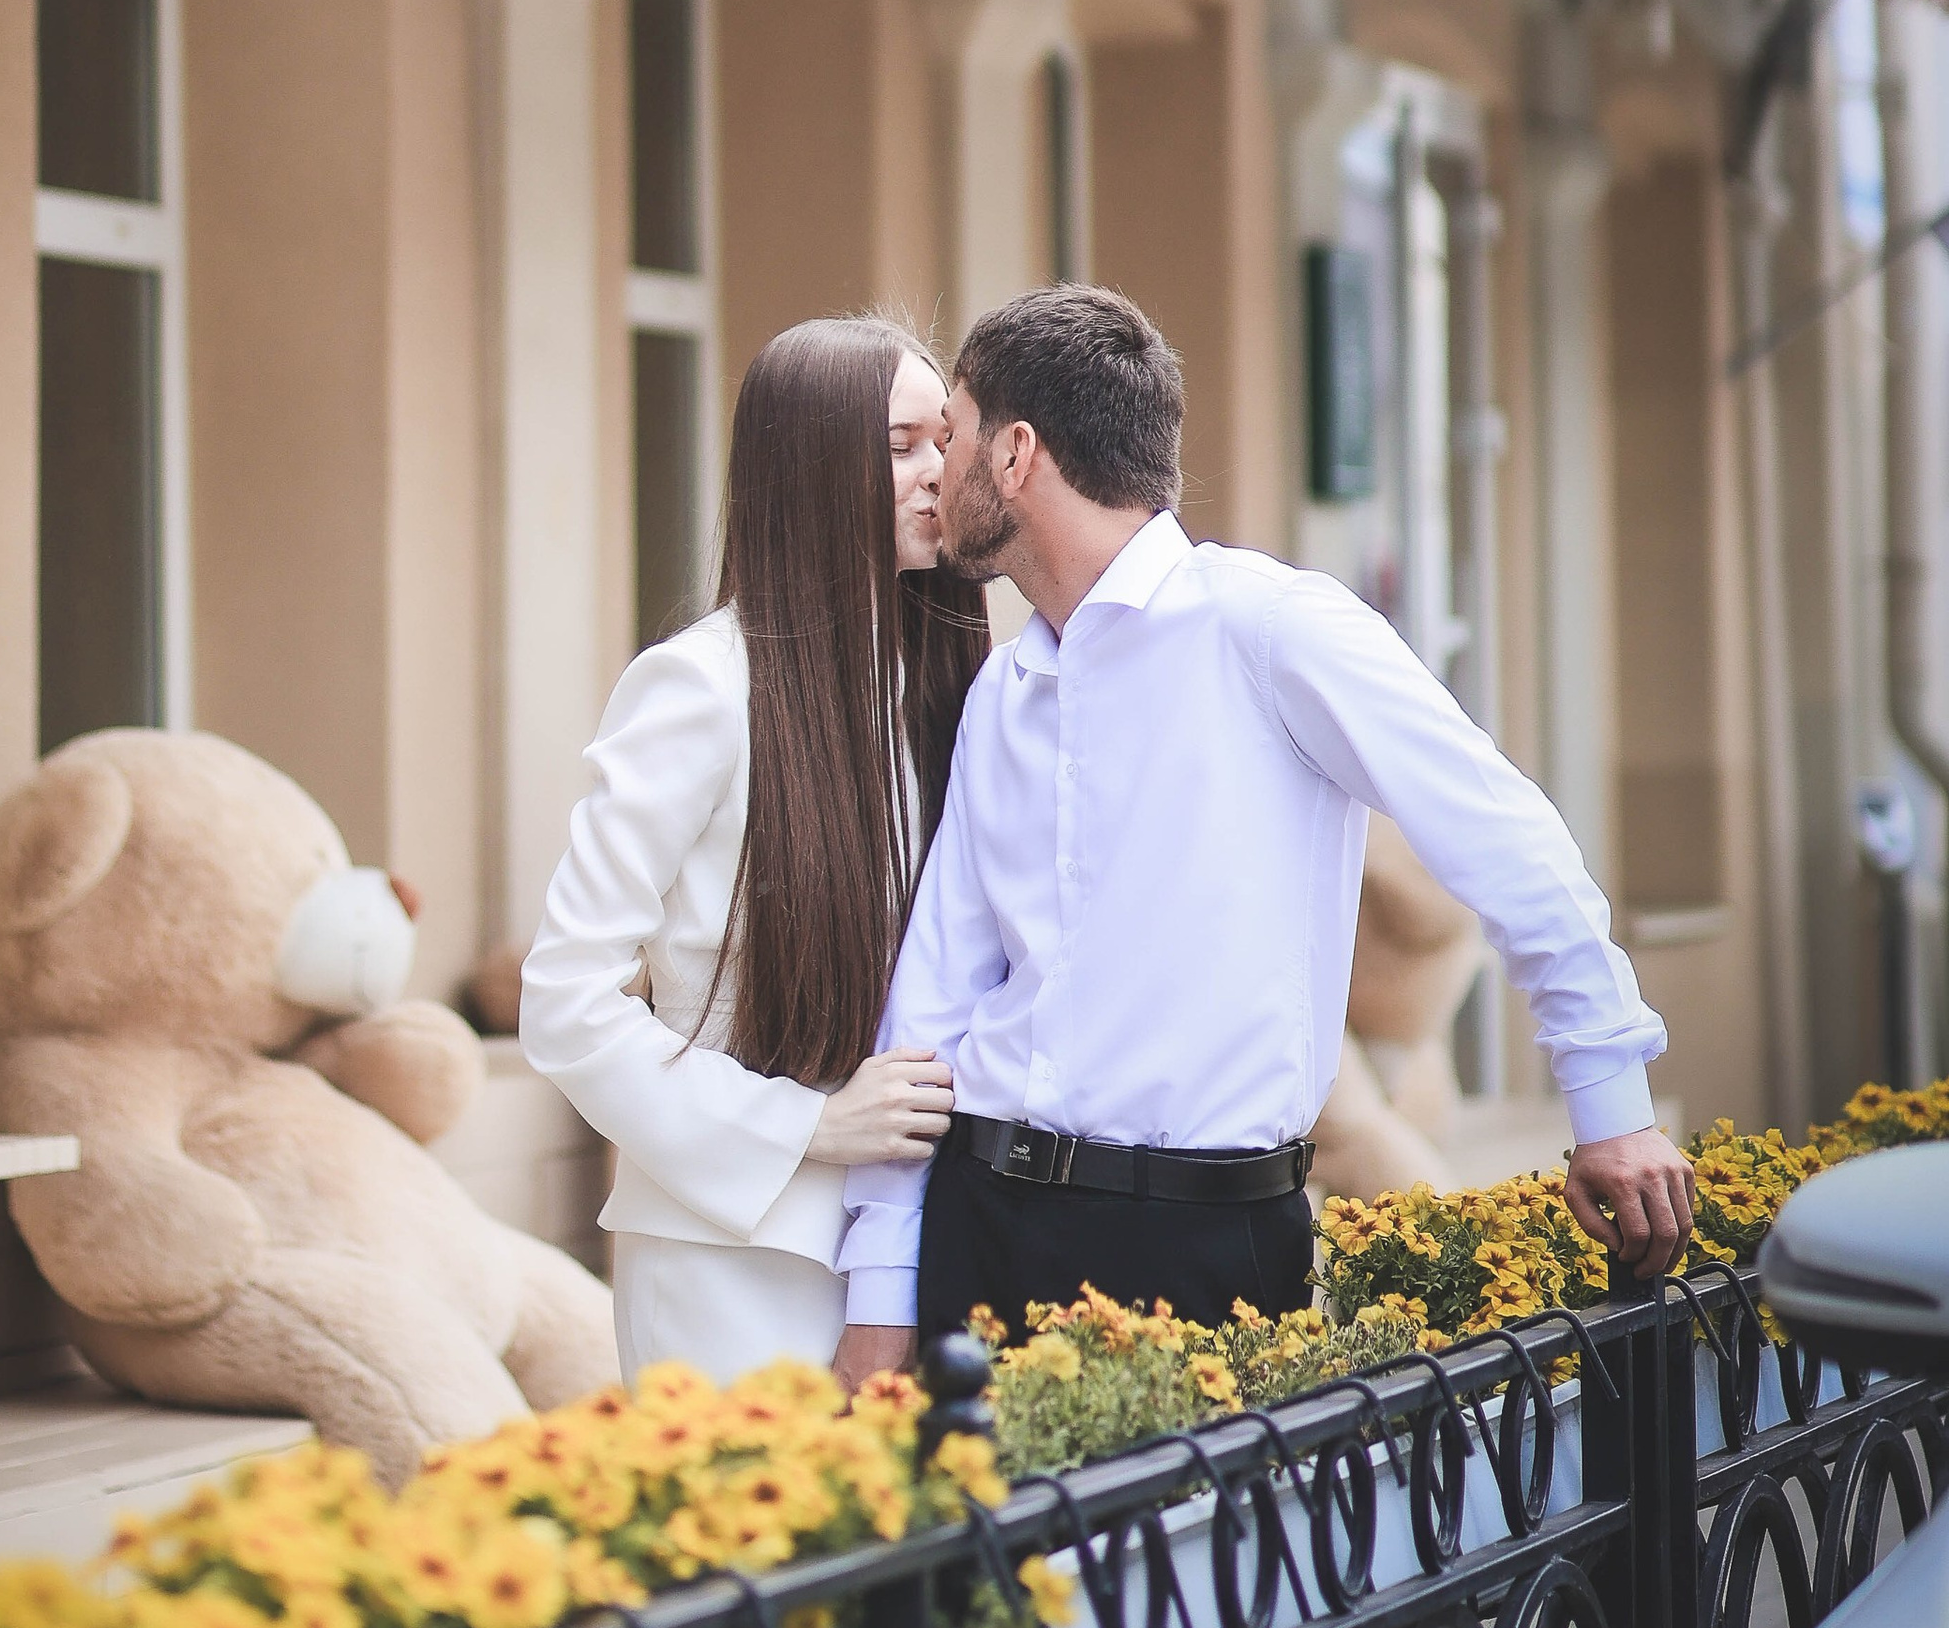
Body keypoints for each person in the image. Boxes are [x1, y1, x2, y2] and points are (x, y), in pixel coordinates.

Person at [834, 285, 1696, 1375]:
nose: (933, 474)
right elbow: (935, 1000)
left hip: (1199, 1246)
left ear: (1012, 455)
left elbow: (1502, 834)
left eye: (947, 437)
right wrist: (883, 1287)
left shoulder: (1272, 628)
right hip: (978, 1227)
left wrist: (1610, 1100)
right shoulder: (1005, 689)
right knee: (969, 1553)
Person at [522, 317, 988, 1381]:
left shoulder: (943, 693)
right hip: (733, 1253)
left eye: (944, 440)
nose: (937, 473)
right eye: (899, 445)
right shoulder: (699, 687)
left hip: (911, 1240)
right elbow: (564, 998)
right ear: (810, 466)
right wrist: (805, 1127)